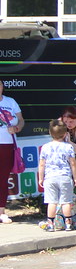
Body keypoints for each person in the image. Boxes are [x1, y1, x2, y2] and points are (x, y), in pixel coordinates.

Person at [37, 119, 76, 232]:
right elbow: (73, 163)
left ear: (50, 133)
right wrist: (74, 177)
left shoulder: (45, 147)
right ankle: (68, 223)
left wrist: (41, 178)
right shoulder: (68, 147)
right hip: (65, 177)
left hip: (50, 178)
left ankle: (50, 224)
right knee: (66, 201)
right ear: (65, 134)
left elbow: (41, 164)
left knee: (51, 201)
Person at [0, 82, 24, 224]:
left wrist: (17, 128)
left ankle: (1, 211)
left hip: (7, 145)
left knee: (2, 178)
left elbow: (21, 121)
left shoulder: (11, 102)